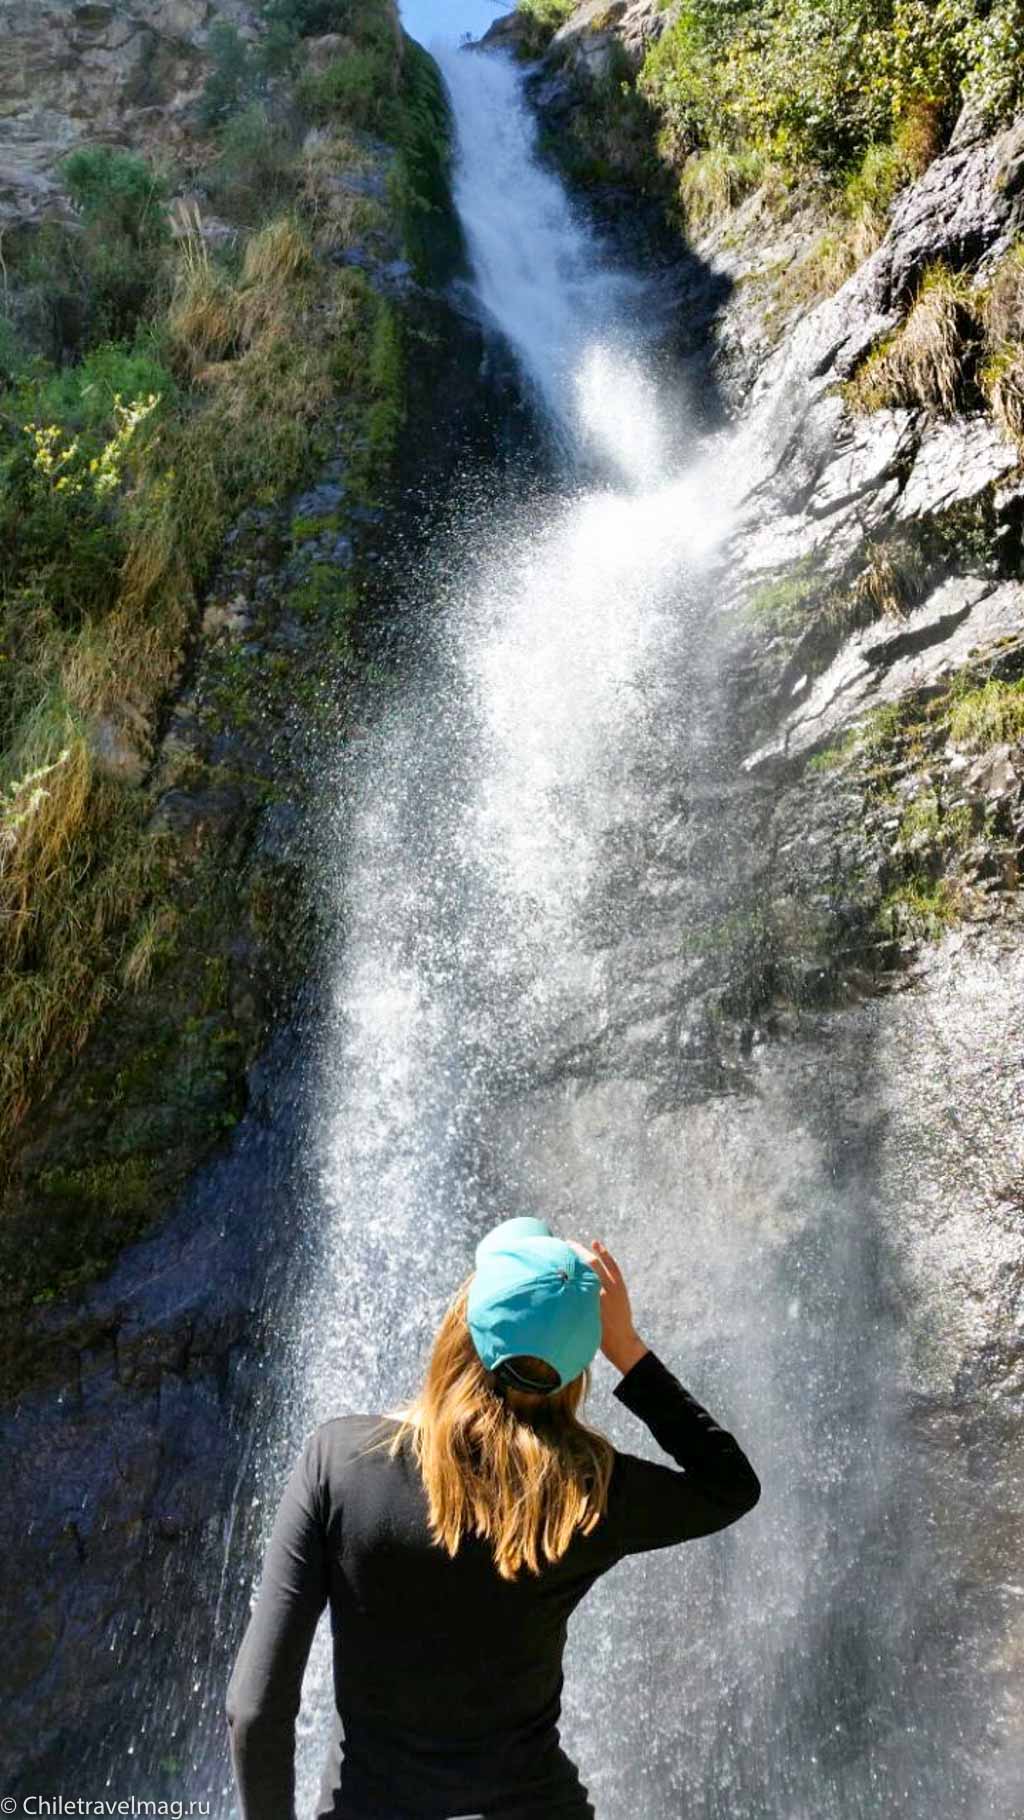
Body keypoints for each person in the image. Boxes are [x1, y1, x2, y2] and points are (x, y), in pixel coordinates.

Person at [225, 1217, 761, 1819]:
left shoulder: (341, 1463)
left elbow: (255, 1710)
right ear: (578, 1369)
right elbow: (729, 1487)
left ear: (462, 1325)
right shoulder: (587, 1494)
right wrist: (628, 1351)